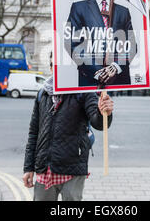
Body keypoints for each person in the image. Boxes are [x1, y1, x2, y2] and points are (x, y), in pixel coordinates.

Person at [22, 61, 114, 201]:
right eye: (54, 64)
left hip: (73, 168)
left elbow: (98, 123)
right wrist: (28, 167)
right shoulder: (43, 94)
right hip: (44, 168)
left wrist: (104, 112)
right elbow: (34, 133)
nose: (58, 68)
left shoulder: (83, 91)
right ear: (51, 67)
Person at [65, 0, 137, 87]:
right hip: (89, 79)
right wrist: (98, 71)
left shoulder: (123, 12)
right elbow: (71, 43)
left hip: (118, 81)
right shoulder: (78, 8)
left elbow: (131, 46)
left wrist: (115, 67)